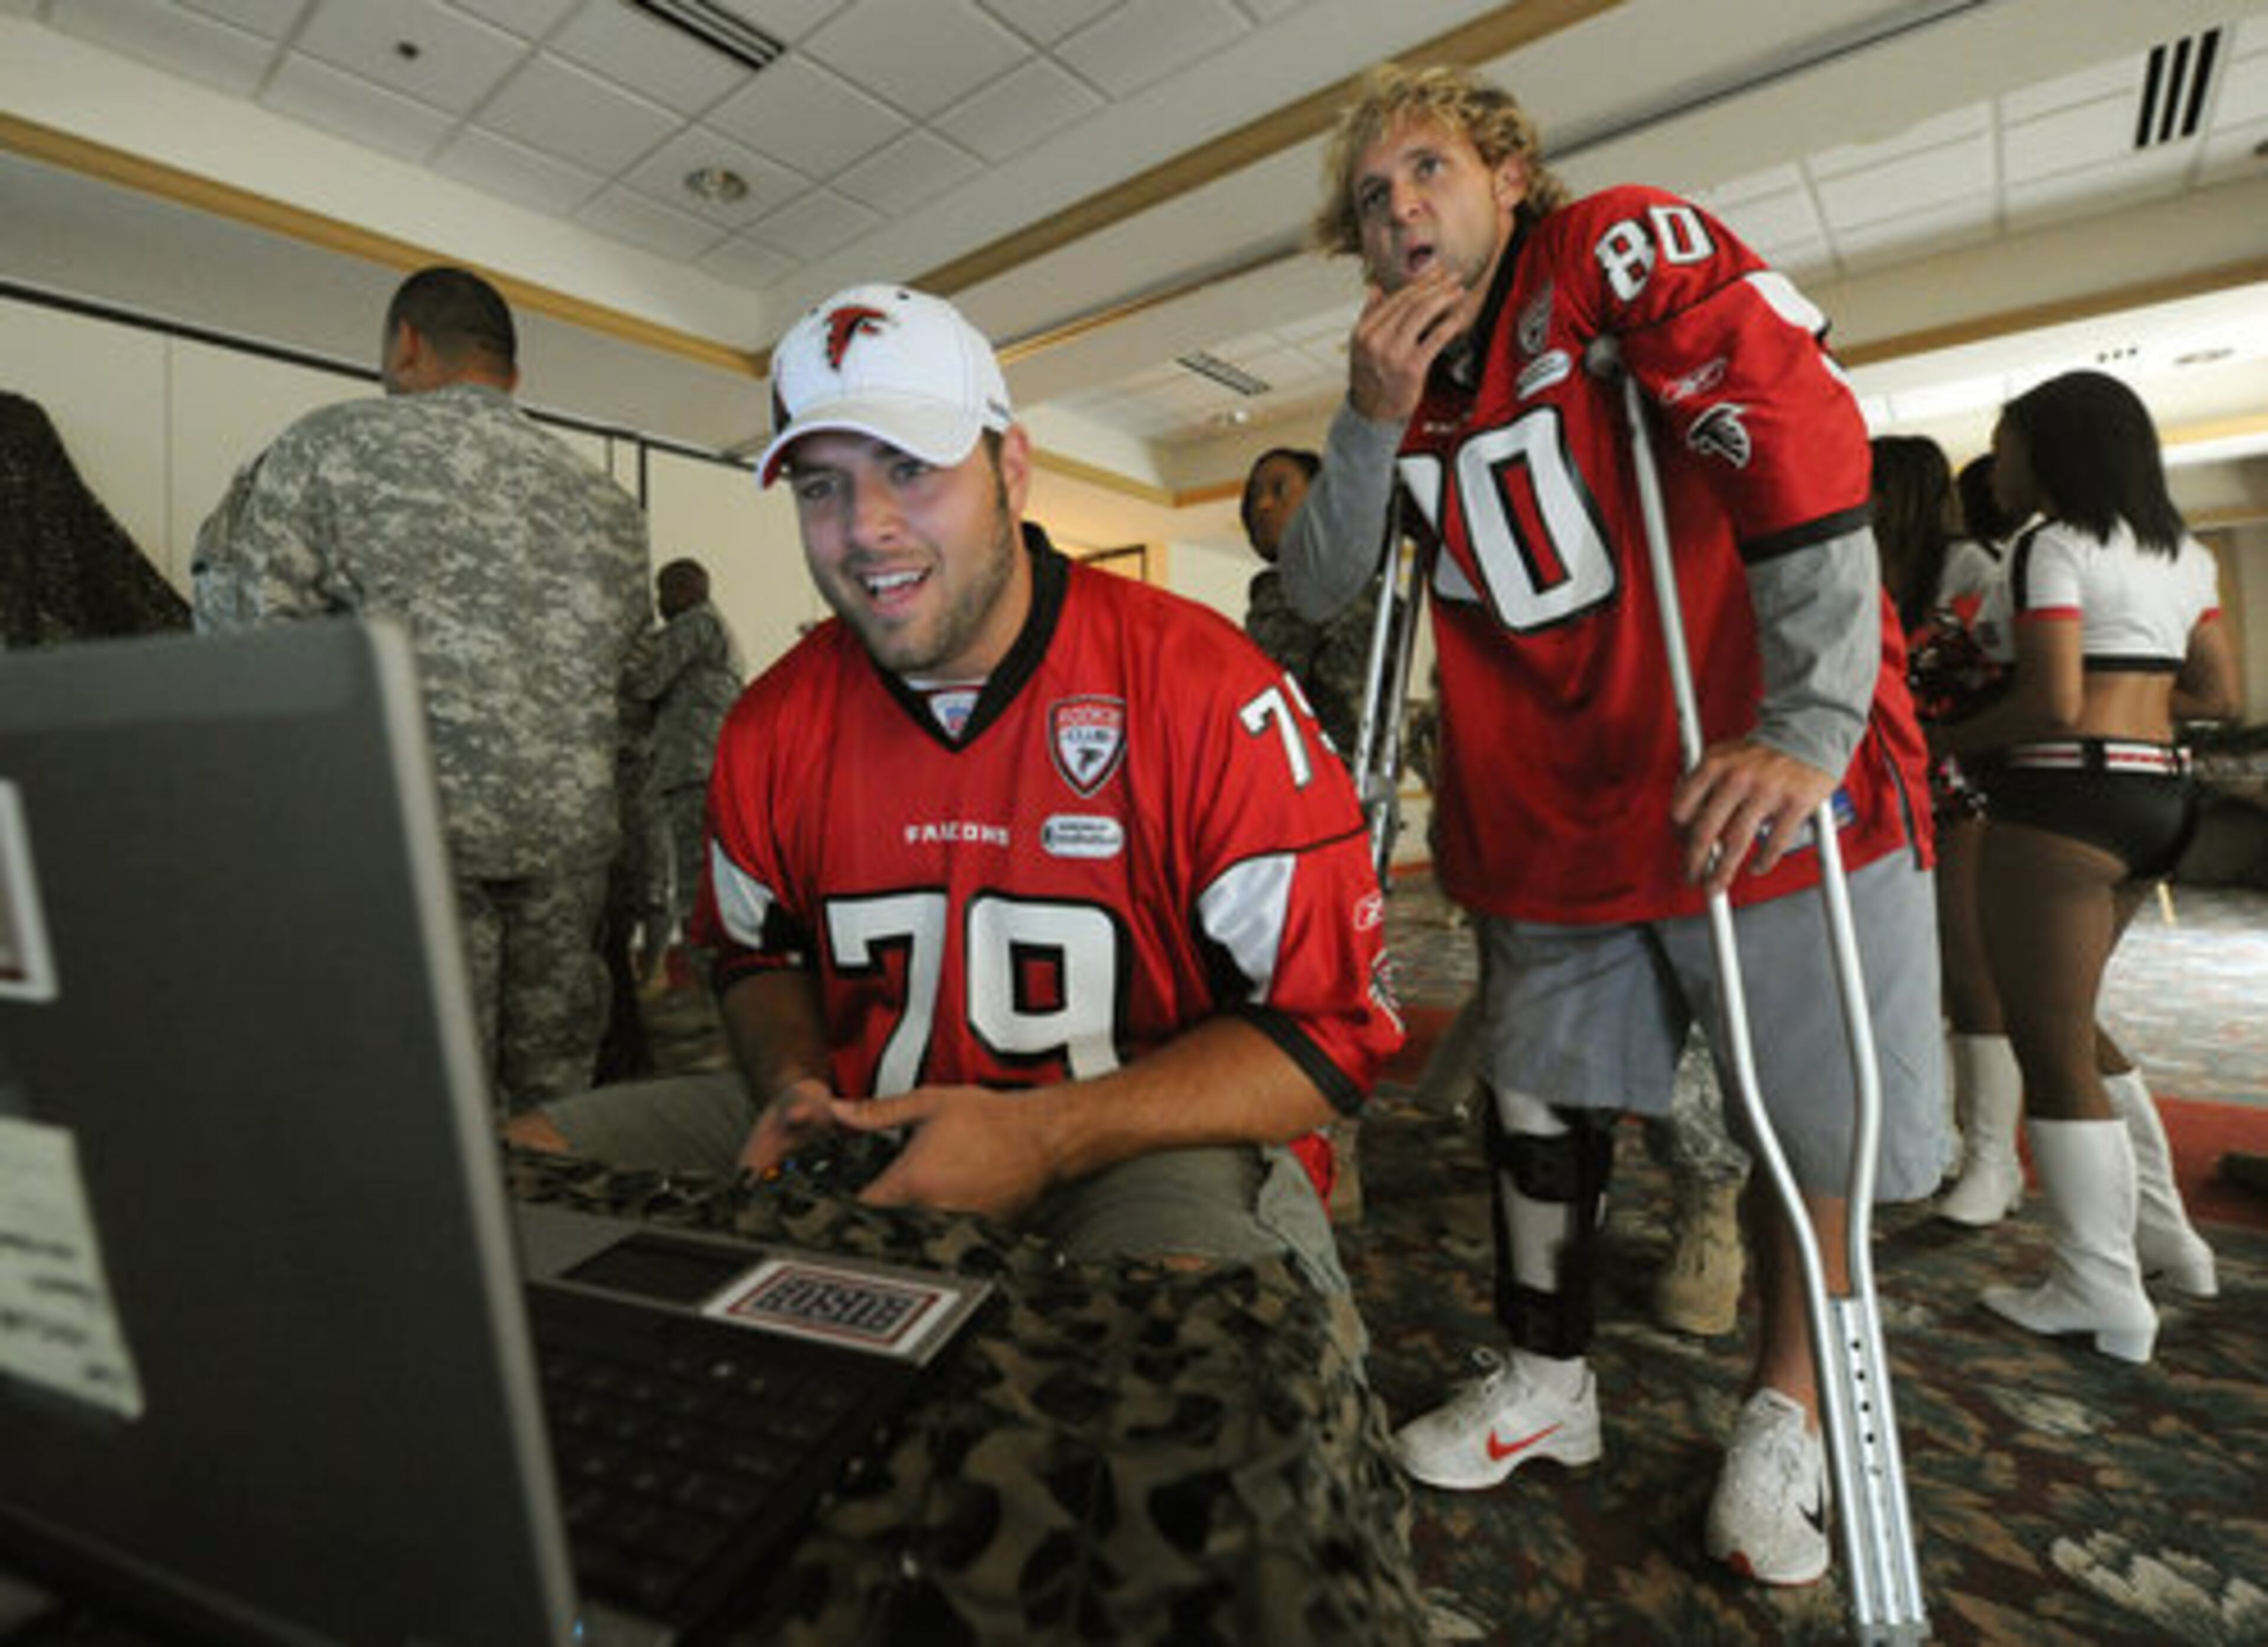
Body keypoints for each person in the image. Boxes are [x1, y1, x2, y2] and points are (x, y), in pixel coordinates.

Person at [1276, 62, 1943, 1588]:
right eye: (1373, 202)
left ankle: (1789, 1402)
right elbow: (1317, 586)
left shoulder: (1608, 256)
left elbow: (1790, 420)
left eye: (1428, 171)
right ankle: (1549, 1379)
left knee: (1806, 1126)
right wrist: (1371, 418)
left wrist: (1816, 722)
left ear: (1510, 174)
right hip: (1559, 810)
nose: (1400, 213)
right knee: (1538, 1107)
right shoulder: (1398, 373)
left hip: (1749, 786)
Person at [507, 284, 1400, 1303]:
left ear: (1009, 469)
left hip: (1139, 1140)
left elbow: (1332, 1032)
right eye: (819, 487)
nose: (864, 528)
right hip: (861, 1112)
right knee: (506, 1177)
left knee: (1188, 1357)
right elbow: (759, 954)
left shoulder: (1208, 689)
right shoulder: (769, 724)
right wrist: (798, 1084)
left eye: (910, 467)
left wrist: (1045, 1133)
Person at [193, 265, 651, 1113]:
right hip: (571, 856)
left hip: (412, 848)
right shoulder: (611, 504)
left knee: (426, 1109)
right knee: (560, 1114)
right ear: (510, 368)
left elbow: (250, 659)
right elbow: (632, 701)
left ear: (408, 344)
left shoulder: (328, 448)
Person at [1936, 369, 2236, 1362]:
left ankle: (2095, 1284)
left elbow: (2054, 704)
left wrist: (1953, 739)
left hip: (2064, 800)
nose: (2000, 461)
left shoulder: (2051, 545)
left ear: (2054, 450)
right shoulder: (2184, 553)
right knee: (2075, 1022)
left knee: (2047, 1041)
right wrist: (2134, 703)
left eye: (2009, 441)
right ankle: (2167, 1239)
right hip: (2161, 801)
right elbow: (2216, 691)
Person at [1871, 435, 2015, 1224]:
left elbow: (1984, 676)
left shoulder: (1968, 566)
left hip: (1962, 781)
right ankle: (1937, 1136)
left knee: (1969, 963)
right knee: (1908, 967)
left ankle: (1994, 1158)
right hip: (1888, 782)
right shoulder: (1867, 562)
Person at [623, 556, 745, 971]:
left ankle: (709, 983)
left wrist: (632, 643)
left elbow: (644, 683)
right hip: (704, 768)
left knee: (693, 891)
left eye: (665, 591)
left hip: (692, 772)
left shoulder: (695, 624)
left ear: (688, 590)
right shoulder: (715, 628)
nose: (660, 603)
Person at [1240, 447, 1383, 759]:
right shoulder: (1274, 595)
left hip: (1316, 787)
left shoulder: (1347, 594)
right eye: (1254, 496)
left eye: (1279, 491)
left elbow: (1351, 728)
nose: (1262, 506)